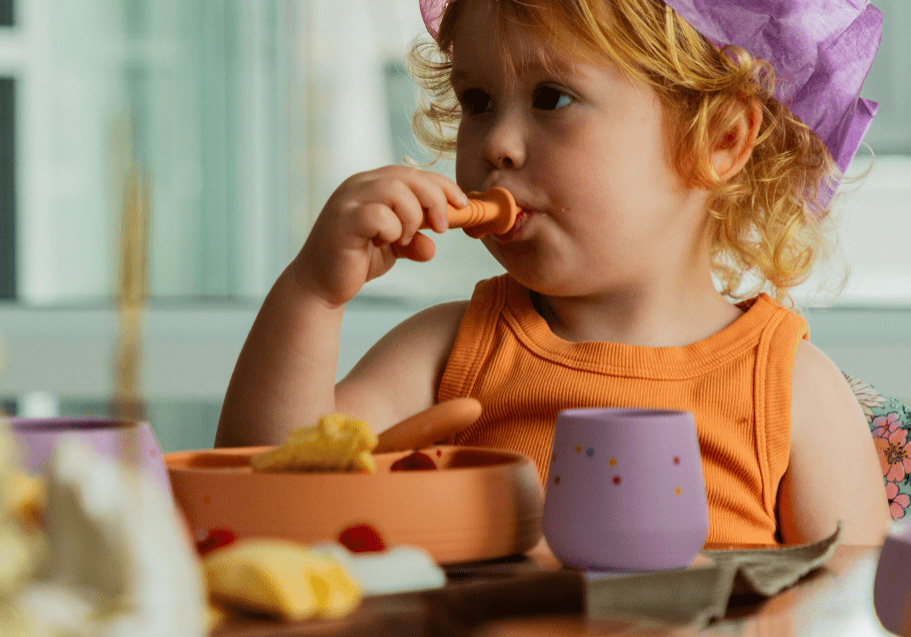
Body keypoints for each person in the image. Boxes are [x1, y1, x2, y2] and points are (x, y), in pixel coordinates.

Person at [216, 0, 891, 545]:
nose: (496, 145)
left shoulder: (791, 390)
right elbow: (263, 498)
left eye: (551, 98)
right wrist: (310, 295)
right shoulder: (447, 353)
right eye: (477, 101)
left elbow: (853, 612)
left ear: (718, 141)